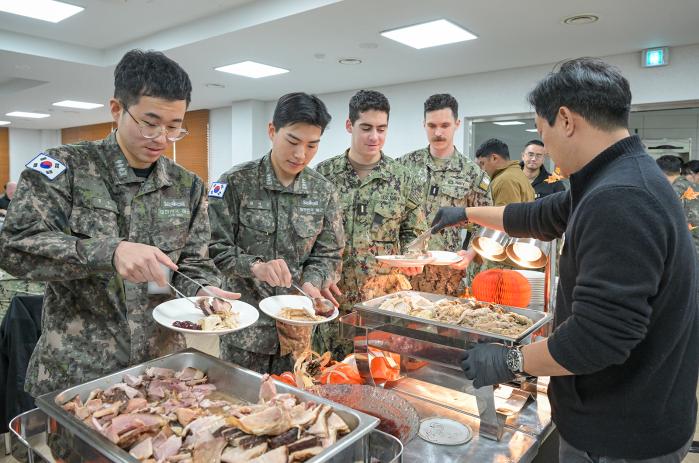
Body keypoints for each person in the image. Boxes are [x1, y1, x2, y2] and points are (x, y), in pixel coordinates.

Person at [431, 58, 697, 462]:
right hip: (624, 417)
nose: (545, 148)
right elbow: (540, 215)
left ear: (566, 120)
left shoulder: (621, 198)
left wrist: (509, 361)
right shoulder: (618, 175)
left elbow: (598, 338)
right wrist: (466, 214)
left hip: (621, 434)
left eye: (543, 133)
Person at [0, 49, 237, 397]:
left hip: (160, 370)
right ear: (116, 109)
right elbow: (14, 248)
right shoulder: (64, 168)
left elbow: (194, 263)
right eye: (150, 122)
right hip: (78, 369)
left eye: (174, 126)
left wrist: (202, 291)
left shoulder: (188, 186)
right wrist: (109, 253)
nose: (161, 138)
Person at [208, 92, 344, 374]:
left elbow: (329, 254)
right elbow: (212, 248)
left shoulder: (323, 191)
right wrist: (255, 267)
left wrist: (312, 282)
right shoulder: (234, 183)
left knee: (294, 407)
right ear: (272, 131)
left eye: (312, 145)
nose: (300, 154)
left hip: (298, 331)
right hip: (244, 330)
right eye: (292, 141)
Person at [314, 90, 427, 360]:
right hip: (332, 301)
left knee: (380, 375)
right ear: (349, 125)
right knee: (329, 374)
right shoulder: (323, 175)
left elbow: (416, 233)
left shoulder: (403, 178)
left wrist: (414, 258)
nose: (374, 137)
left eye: (381, 129)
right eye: (366, 128)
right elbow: (309, 237)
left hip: (382, 302)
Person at [398, 94, 491, 294]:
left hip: (447, 276)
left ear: (457, 124)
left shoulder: (472, 173)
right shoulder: (403, 166)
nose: (438, 132)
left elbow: (485, 223)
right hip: (406, 274)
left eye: (445, 125)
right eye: (432, 126)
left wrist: (470, 254)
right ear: (424, 124)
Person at [656, 155, 699, 258]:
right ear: (679, 170)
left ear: (658, 171)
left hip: (690, 250)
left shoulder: (672, 191)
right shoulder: (693, 186)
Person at [475, 138, 535, 206]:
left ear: (494, 158)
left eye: (482, 163)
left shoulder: (505, 180)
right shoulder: (516, 173)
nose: (482, 170)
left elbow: (504, 215)